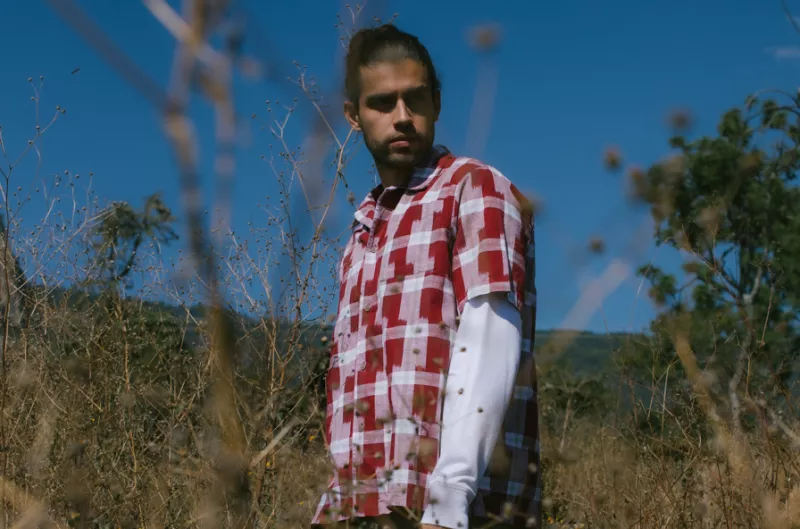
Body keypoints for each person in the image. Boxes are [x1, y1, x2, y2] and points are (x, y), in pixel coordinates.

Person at [311, 23, 541, 529]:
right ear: (353, 116)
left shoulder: (473, 188)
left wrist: (451, 492)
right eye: (382, 103)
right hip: (361, 507)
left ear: (436, 103)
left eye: (415, 100)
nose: (402, 118)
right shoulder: (362, 228)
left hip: (460, 509)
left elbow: (489, 332)